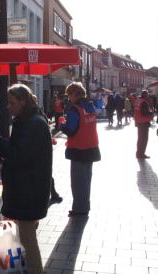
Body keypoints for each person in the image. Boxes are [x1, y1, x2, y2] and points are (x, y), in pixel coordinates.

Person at [0, 84, 52, 274]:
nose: (8, 106)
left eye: (12, 102)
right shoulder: (27, 121)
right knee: (25, 239)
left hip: (28, 191)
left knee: (28, 242)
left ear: (23, 102)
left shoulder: (34, 124)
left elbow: (18, 155)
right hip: (26, 188)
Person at [59, 82, 101, 217]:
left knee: (77, 182)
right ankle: (84, 207)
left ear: (74, 94)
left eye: (69, 94)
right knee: (86, 180)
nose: (68, 97)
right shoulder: (90, 106)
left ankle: (79, 210)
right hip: (91, 147)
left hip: (79, 149)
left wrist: (62, 125)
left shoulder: (75, 109)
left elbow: (70, 130)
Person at [33, 94, 62, 204]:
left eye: (35, 101)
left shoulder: (38, 113)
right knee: (44, 173)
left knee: (45, 173)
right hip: (39, 148)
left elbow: (46, 127)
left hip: (41, 148)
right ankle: (51, 194)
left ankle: (52, 194)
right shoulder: (36, 113)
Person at [134, 90, 154, 159]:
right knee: (144, 139)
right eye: (147, 95)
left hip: (138, 122)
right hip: (144, 122)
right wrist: (151, 114)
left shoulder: (138, 100)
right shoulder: (144, 102)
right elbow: (145, 113)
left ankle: (138, 153)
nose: (148, 96)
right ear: (145, 95)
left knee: (140, 138)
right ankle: (141, 154)